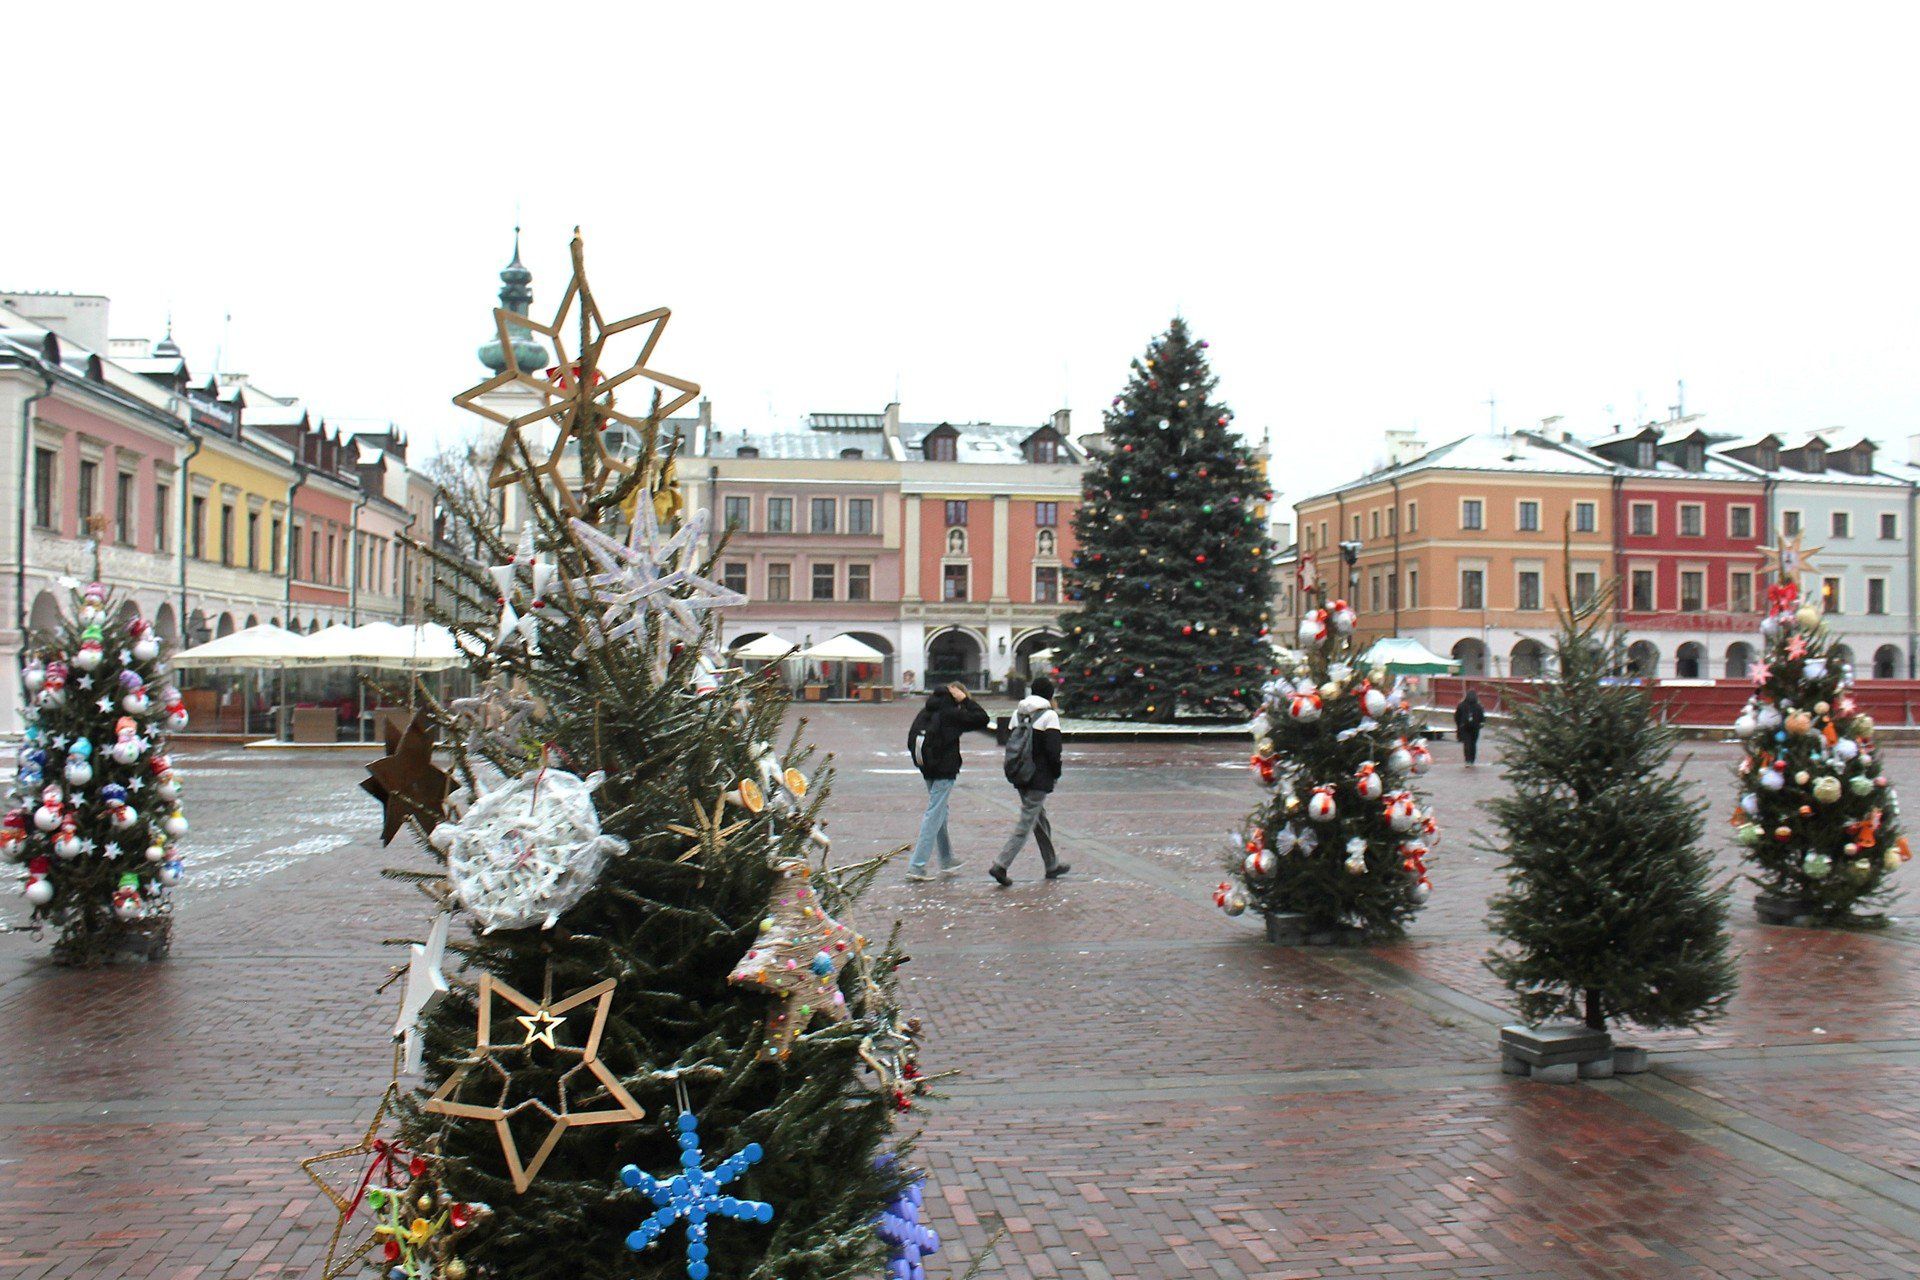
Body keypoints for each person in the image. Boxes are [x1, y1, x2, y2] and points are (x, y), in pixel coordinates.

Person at [906, 682, 990, 881]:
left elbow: (911, 738)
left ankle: (946, 859)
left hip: (926, 767)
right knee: (934, 814)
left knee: (939, 811)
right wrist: (966, 700)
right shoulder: (951, 713)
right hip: (945, 768)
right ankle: (917, 866)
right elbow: (982, 719)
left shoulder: (926, 710)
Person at [990, 675, 1068, 885]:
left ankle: (1052, 865)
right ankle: (1001, 864)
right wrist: (1056, 772)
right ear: (1049, 695)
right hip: (1039, 777)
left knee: (1038, 819)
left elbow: (1011, 743)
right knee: (1026, 822)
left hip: (1020, 773)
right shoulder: (1049, 716)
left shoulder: (1019, 713)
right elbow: (1054, 750)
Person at [1454, 689, 1486, 766]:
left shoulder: (1461, 705)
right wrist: (1480, 724)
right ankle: (1472, 760)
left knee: (1466, 743)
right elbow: (1482, 717)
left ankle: (1467, 760)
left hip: (1464, 727)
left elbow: (1457, 716)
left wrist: (1459, 724)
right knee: (1473, 744)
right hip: (1475, 728)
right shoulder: (1479, 706)